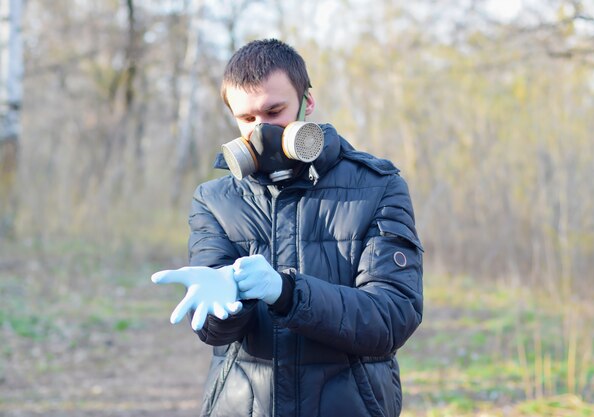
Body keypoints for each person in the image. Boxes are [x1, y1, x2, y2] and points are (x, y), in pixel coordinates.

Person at [152, 38, 424, 417]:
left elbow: (391, 317)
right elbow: (215, 332)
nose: (261, 131)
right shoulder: (214, 200)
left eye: (274, 111)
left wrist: (287, 292)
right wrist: (228, 300)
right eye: (247, 119)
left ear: (307, 103)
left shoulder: (378, 187)